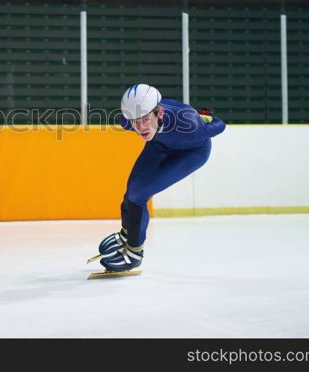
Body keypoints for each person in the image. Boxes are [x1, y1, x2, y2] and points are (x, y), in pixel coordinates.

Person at [96, 83, 226, 272]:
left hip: (192, 151)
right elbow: (136, 122)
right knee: (132, 190)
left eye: (145, 119)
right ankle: (127, 233)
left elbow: (220, 125)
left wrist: (205, 116)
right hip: (159, 145)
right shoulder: (127, 121)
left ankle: (134, 253)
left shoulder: (189, 124)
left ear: (160, 113)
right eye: (135, 121)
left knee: (139, 195)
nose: (140, 127)